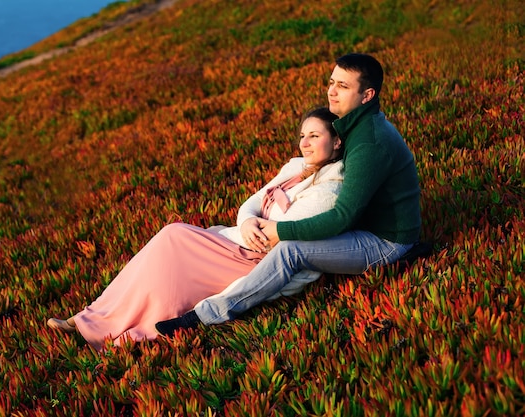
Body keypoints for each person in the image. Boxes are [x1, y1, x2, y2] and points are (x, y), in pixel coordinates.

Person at [155, 53, 423, 337]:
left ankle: (206, 315)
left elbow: (342, 217)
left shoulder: (369, 142)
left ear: (367, 95)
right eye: (332, 82)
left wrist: (279, 230)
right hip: (365, 225)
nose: (331, 91)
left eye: (343, 86)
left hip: (384, 242)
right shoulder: (357, 126)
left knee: (290, 251)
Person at [47, 107, 345, 349]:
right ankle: (90, 315)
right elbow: (251, 204)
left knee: (173, 237)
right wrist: (247, 221)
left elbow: (282, 236)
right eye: (303, 135)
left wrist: (252, 227)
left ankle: (118, 328)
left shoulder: (331, 188)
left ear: (336, 142)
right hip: (237, 240)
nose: (304, 142)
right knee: (166, 246)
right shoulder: (295, 166)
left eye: (314, 135)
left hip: (255, 261)